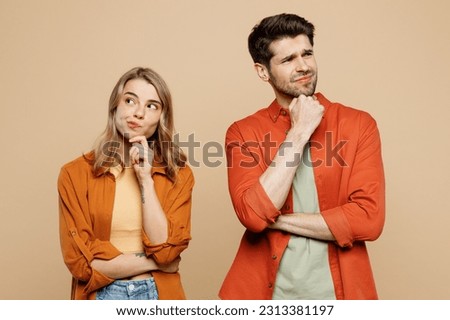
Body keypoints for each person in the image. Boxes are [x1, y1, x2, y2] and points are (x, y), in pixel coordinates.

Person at [219, 13, 385, 300]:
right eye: (288, 60)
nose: (303, 66)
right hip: (264, 297)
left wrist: (279, 219)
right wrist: (300, 131)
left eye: (307, 53)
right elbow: (254, 216)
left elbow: (369, 219)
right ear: (263, 71)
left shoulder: (359, 125)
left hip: (341, 296)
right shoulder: (242, 132)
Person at [58, 67, 194, 300]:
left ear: (161, 117)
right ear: (115, 106)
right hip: (101, 295)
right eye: (130, 100)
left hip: (159, 295)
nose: (139, 113)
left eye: (152, 105)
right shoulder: (74, 174)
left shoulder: (178, 175)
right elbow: (81, 263)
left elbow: (166, 252)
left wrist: (146, 181)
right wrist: (153, 263)